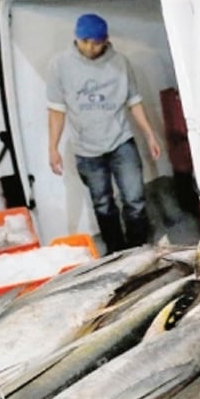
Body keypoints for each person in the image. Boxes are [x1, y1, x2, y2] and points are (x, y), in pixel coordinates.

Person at [47, 13, 161, 254]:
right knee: (103, 203)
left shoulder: (120, 63)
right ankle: (116, 251)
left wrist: (150, 135)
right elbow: (56, 110)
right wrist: (53, 147)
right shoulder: (59, 65)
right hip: (86, 149)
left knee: (135, 199)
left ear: (106, 40)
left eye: (96, 42)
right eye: (85, 41)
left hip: (121, 141)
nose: (90, 48)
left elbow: (134, 101)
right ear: (76, 38)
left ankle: (139, 249)